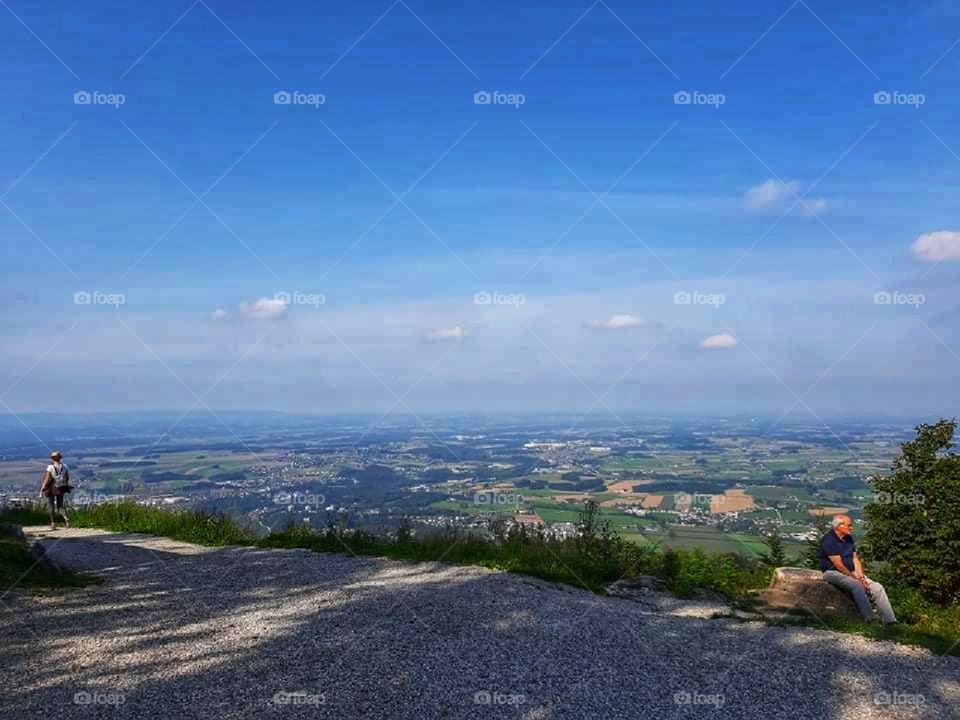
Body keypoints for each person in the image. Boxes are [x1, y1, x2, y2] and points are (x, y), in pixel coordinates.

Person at [819, 514, 896, 624]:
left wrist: (861, 577)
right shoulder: (829, 540)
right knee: (856, 586)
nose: (851, 528)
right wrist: (856, 579)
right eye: (849, 525)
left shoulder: (848, 539)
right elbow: (839, 565)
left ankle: (890, 620)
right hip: (832, 572)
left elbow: (855, 559)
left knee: (877, 587)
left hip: (851, 572)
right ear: (839, 526)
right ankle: (870, 618)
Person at [38, 450, 71, 530]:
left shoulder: (50, 467)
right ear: (60, 458)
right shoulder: (65, 466)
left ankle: (53, 523)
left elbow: (47, 479)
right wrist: (65, 485)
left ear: (52, 458)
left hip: (51, 488)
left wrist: (42, 488)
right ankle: (66, 519)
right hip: (61, 487)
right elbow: (67, 478)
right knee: (60, 505)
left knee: (51, 505)